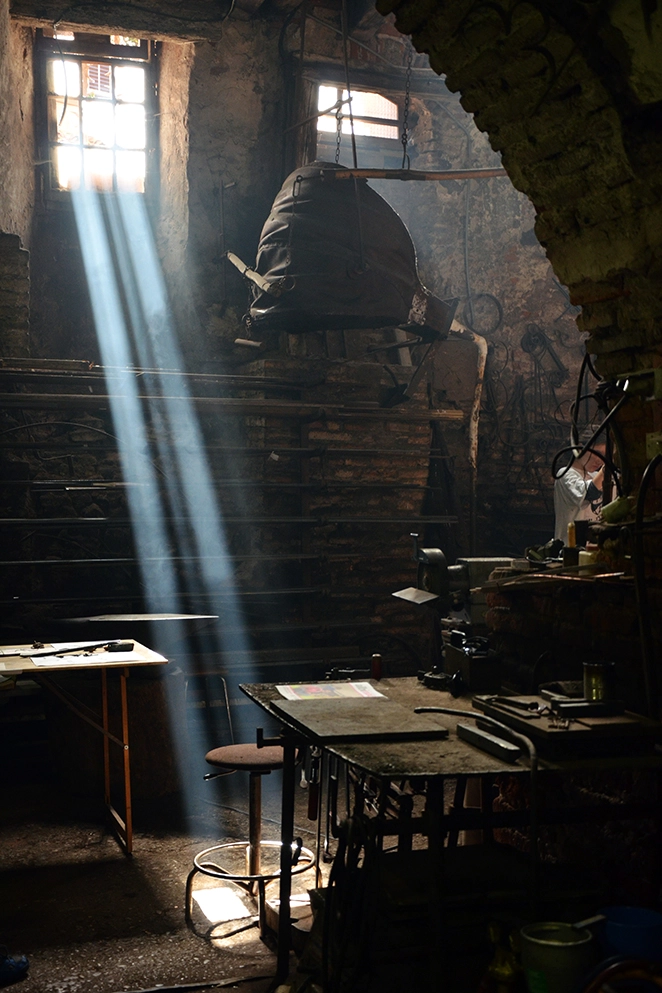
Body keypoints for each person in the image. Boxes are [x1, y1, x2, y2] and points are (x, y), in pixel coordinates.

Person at [554, 445, 605, 542]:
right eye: (597, 453)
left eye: (604, 456)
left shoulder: (596, 476)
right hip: (571, 548)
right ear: (580, 449)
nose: (601, 460)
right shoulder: (565, 474)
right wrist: (607, 468)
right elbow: (591, 493)